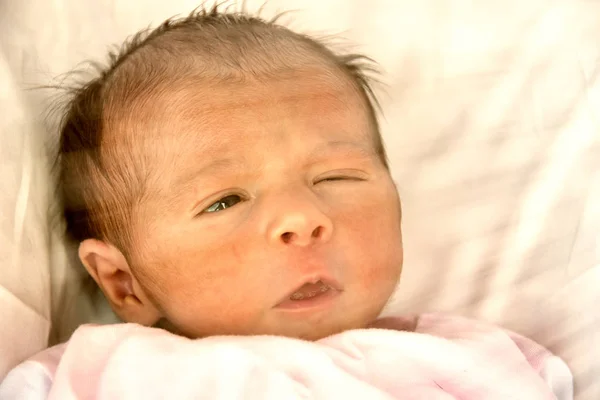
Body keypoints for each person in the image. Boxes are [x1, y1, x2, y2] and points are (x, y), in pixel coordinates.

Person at [0, 4, 572, 399]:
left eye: (337, 178)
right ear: (125, 283)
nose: (304, 218)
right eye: (224, 201)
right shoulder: (102, 372)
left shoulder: (472, 360)